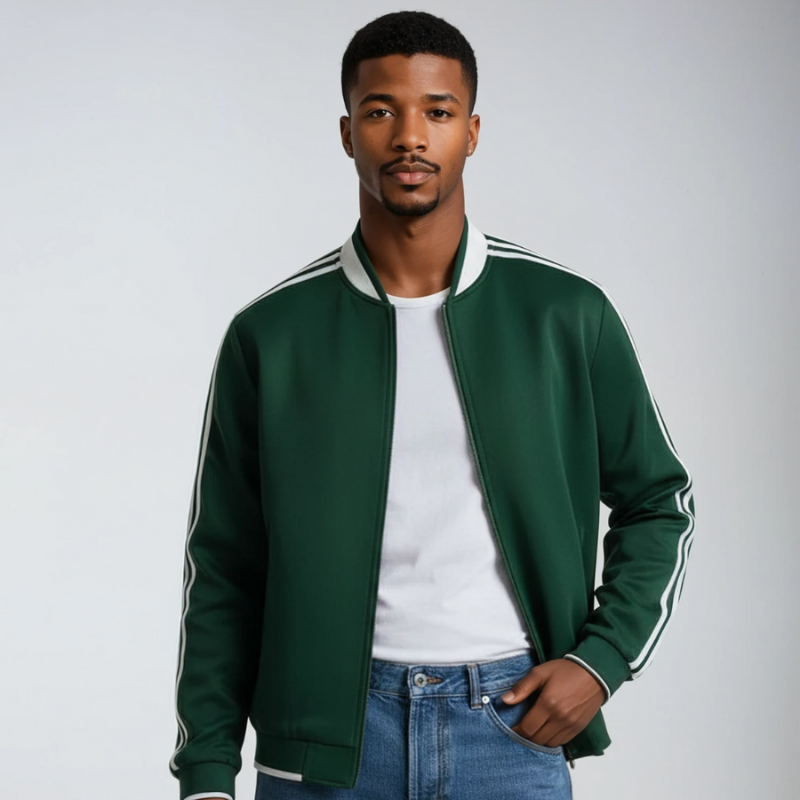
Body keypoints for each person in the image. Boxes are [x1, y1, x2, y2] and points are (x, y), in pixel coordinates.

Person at [168, 10, 695, 800]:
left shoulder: (563, 314)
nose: (410, 136)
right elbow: (223, 567)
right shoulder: (271, 335)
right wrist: (207, 772)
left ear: (472, 132)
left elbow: (660, 501)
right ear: (347, 133)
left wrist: (601, 660)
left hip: (509, 729)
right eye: (381, 111)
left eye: (438, 112)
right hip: (323, 742)